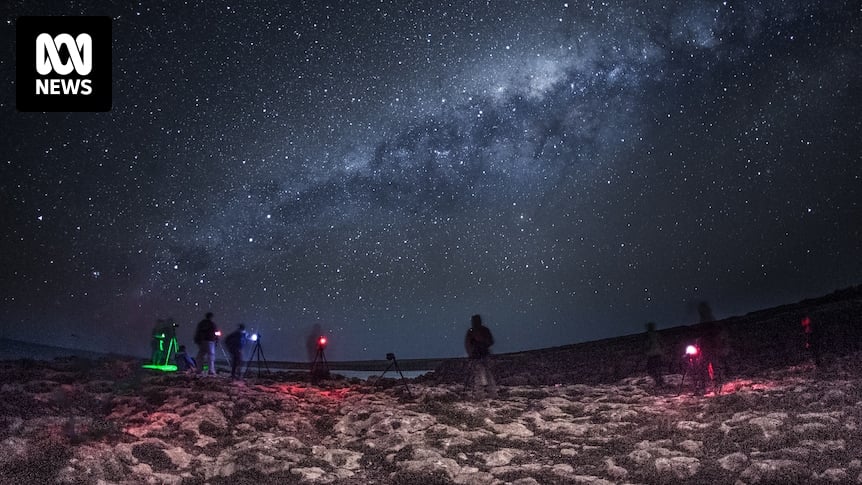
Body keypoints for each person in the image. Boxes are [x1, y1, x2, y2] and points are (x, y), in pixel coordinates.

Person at [464, 314, 496, 398]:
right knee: (479, 375)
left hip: (484, 355)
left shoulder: (482, 330)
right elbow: (467, 344)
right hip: (478, 356)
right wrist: (471, 353)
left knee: (486, 374)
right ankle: (481, 394)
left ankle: (490, 394)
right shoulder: (473, 331)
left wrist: (481, 342)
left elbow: (490, 341)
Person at [644, 322, 664, 387]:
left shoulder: (648, 336)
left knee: (651, 369)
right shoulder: (657, 334)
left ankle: (659, 381)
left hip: (652, 354)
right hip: (658, 353)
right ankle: (660, 381)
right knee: (657, 368)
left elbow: (647, 345)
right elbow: (662, 343)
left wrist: (646, 351)